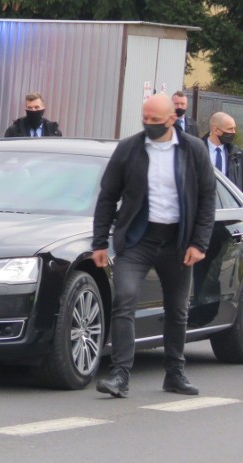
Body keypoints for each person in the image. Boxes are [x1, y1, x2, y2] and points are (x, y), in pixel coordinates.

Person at [92, 94, 215, 398]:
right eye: (145, 119)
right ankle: (120, 376)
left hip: (177, 241)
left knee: (177, 309)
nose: (149, 125)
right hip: (137, 239)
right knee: (125, 299)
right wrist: (100, 242)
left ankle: (174, 374)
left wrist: (199, 242)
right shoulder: (129, 149)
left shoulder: (193, 150)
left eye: (156, 121)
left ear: (173, 119)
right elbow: (107, 195)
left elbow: (207, 198)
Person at [203, 112, 242, 191]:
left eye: (234, 128)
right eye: (230, 129)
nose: (234, 132)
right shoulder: (196, 151)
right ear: (216, 130)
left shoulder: (237, 155)